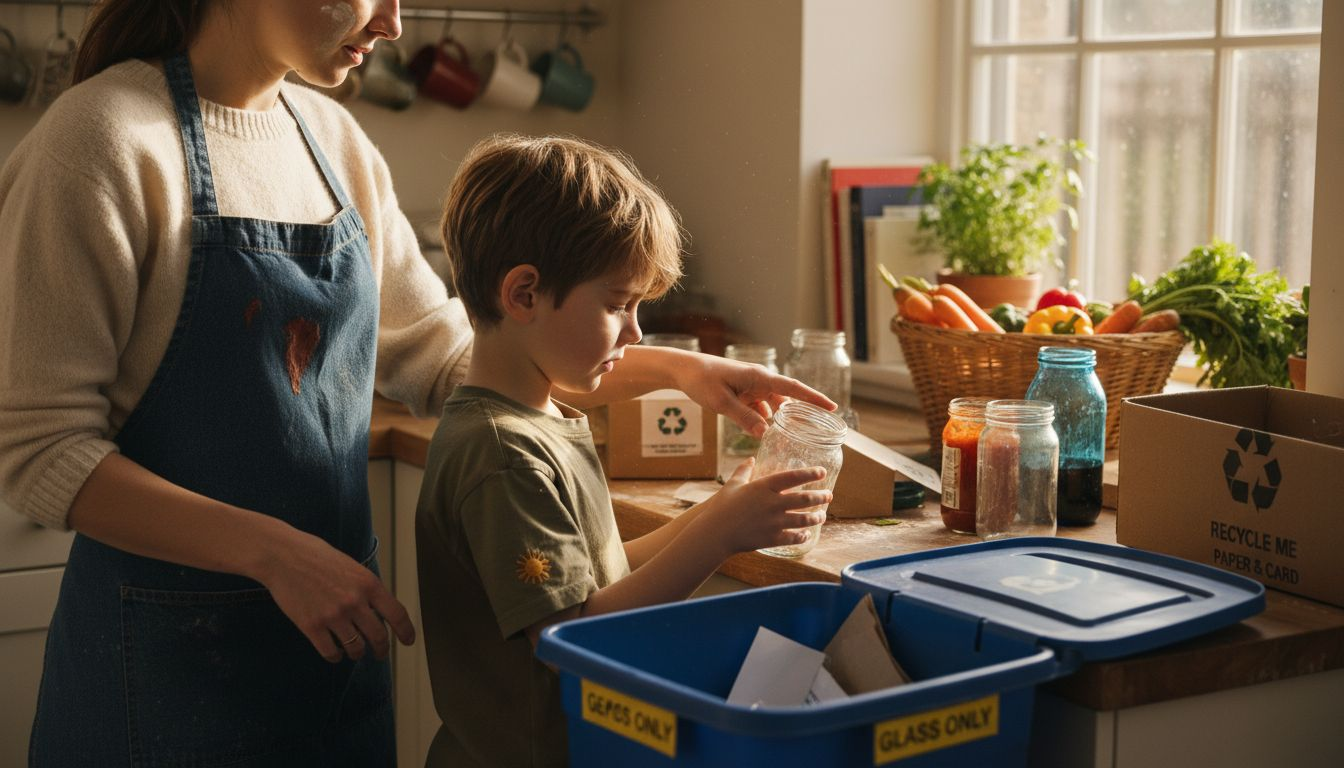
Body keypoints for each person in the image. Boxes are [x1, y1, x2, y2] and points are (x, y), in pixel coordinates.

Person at [0, 2, 832, 765]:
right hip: (165, 668)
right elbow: (40, 450)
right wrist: (275, 555)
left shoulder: (333, 142)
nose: (395, 22)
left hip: (334, 655)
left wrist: (684, 372)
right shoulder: (101, 140)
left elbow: (453, 356)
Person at [415, 135, 834, 767]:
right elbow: (572, 632)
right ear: (523, 294)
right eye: (618, 304)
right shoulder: (504, 455)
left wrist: (721, 511)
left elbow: (596, 576)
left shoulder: (541, 417)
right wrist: (718, 535)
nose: (636, 332)